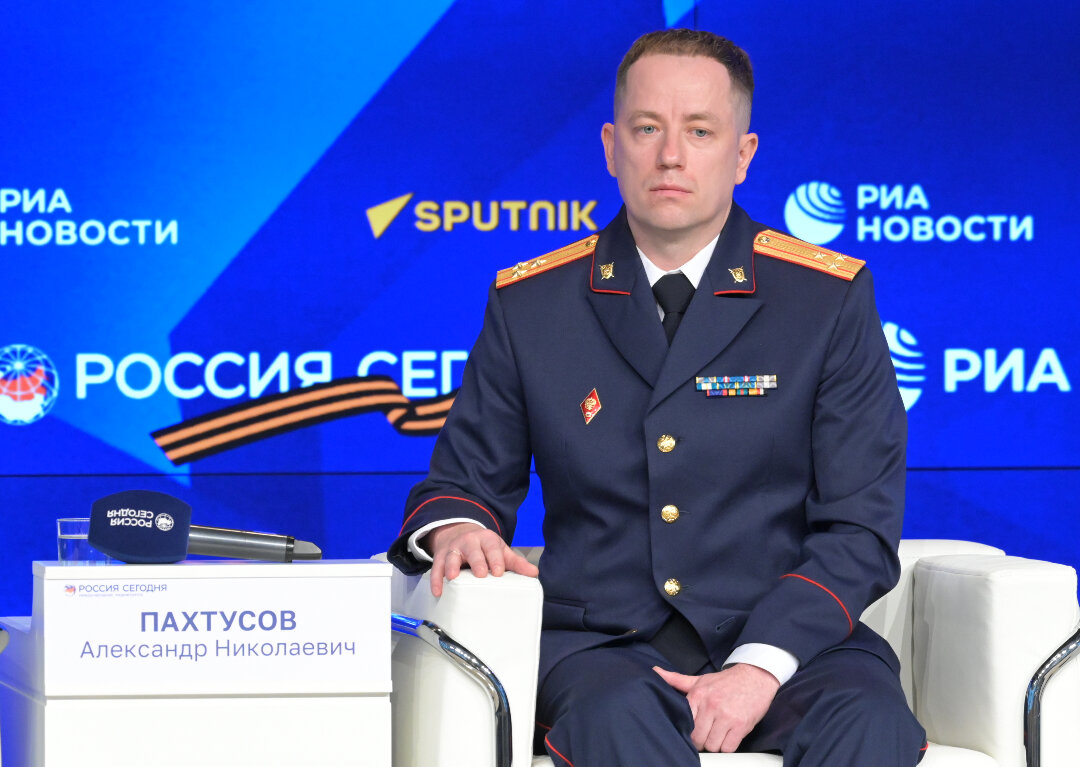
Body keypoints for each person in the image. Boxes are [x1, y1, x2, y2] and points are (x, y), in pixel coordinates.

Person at [388, 28, 926, 767]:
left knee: (870, 722)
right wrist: (457, 528)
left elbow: (860, 525)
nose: (671, 155)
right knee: (616, 719)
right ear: (612, 147)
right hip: (603, 646)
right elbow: (462, 483)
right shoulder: (532, 303)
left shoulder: (826, 298)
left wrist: (758, 665)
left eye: (700, 131)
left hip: (790, 643)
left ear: (743, 154)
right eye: (647, 129)